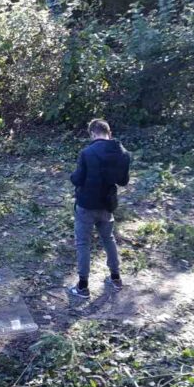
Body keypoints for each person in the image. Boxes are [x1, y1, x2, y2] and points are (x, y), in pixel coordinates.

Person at [68, 119, 132, 299]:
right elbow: (123, 181)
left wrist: (72, 176)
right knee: (108, 239)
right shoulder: (123, 153)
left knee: (83, 243)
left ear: (93, 134)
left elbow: (77, 179)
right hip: (107, 204)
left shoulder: (87, 153)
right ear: (108, 133)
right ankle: (116, 277)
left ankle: (83, 286)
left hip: (86, 205)